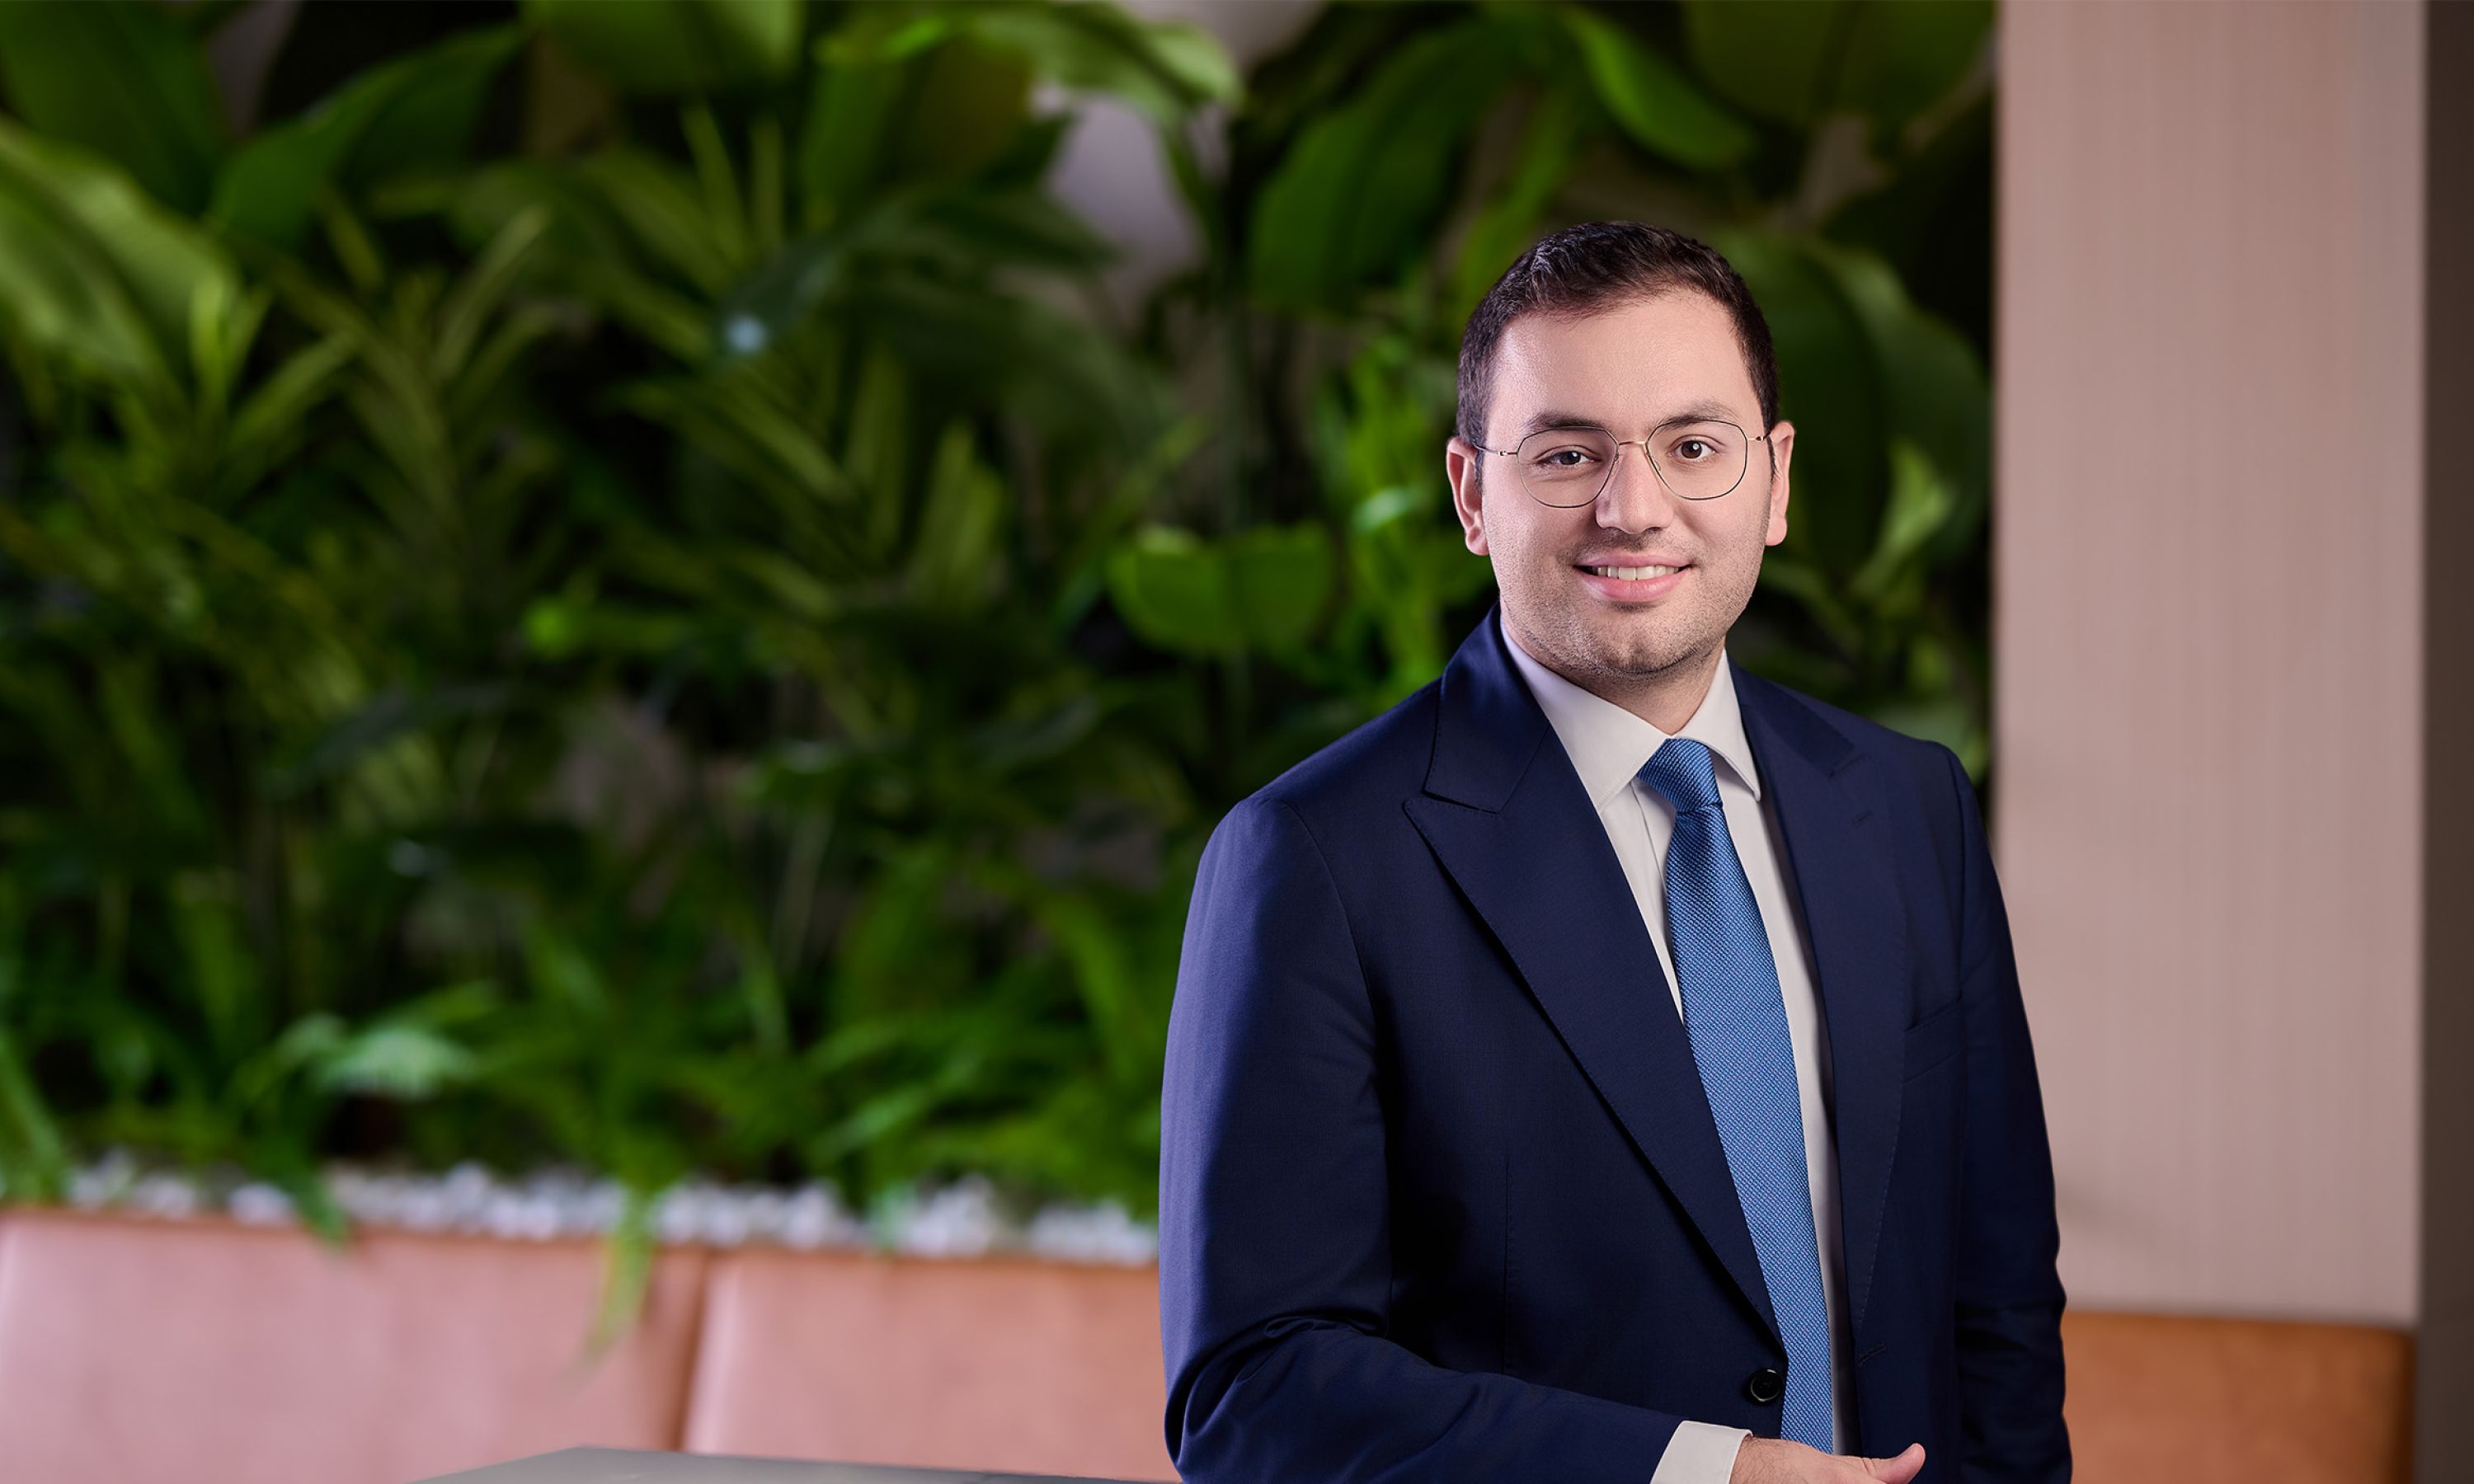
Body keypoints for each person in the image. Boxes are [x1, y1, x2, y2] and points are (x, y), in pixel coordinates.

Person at [1156, 222, 2067, 1483]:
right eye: (1567, 454)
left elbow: (1997, 1309)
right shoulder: (1314, 860)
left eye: (1693, 447)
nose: (1633, 510)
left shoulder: (1908, 807)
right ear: (1471, 495)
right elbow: (1253, 1395)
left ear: (1775, 481)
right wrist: (1699, 1474)